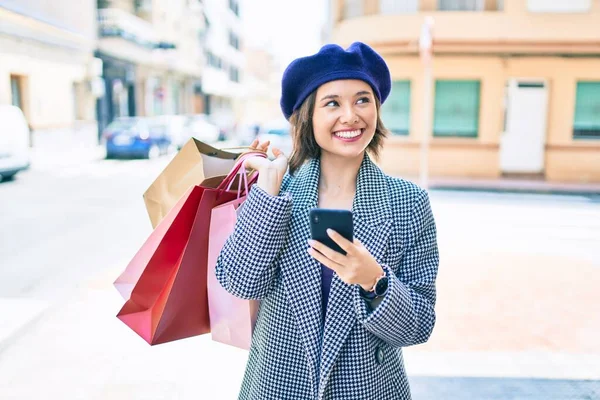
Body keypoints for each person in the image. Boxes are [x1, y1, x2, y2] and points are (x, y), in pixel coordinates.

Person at [216, 42, 439, 400]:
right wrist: (268, 192)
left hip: (370, 391)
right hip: (276, 388)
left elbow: (419, 325)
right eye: (332, 103)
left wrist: (374, 280)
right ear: (308, 116)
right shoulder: (279, 192)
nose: (350, 115)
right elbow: (241, 283)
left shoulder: (408, 202)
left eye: (363, 100)